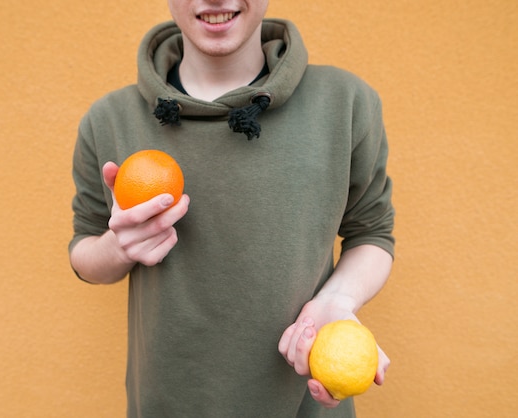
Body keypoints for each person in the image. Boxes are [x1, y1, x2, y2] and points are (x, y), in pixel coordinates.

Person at [69, 1, 395, 417]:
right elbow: (84, 251)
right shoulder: (109, 120)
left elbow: (371, 232)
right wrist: (118, 248)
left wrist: (338, 300)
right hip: (166, 404)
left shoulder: (346, 103)